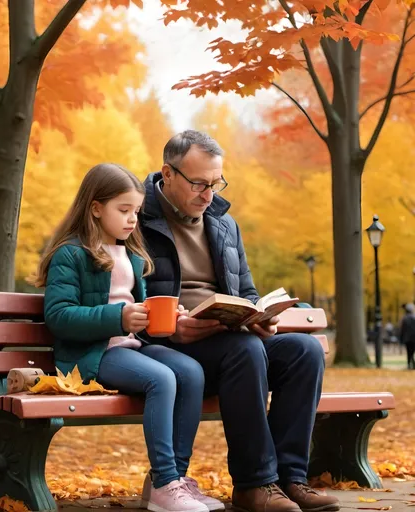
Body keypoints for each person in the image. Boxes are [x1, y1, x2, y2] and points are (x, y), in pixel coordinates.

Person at [139, 131, 340, 512]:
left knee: (305, 350)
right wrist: (168, 326)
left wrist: (259, 317)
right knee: (245, 350)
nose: (209, 194)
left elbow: (245, 291)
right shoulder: (136, 216)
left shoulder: (224, 225)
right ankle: (255, 484)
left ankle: (289, 479)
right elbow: (121, 295)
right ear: (168, 173)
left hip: (228, 341)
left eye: (216, 183)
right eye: (199, 183)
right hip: (168, 347)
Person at [34, 163, 224, 512]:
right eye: (123, 210)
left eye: (136, 211)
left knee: (192, 372)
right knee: (162, 378)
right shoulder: (71, 254)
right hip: (92, 353)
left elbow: (136, 310)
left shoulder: (132, 255)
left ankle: (173, 481)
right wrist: (118, 318)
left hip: (131, 345)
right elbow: (59, 316)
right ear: (95, 208)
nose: (133, 219)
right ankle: (166, 480)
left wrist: (160, 315)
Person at [399, 303, 415, 369]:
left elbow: (402, 330)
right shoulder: (414, 318)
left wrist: (401, 339)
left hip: (407, 338)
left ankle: (409, 364)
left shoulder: (404, 319)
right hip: (414, 338)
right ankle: (411, 363)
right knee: (412, 351)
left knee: (409, 352)